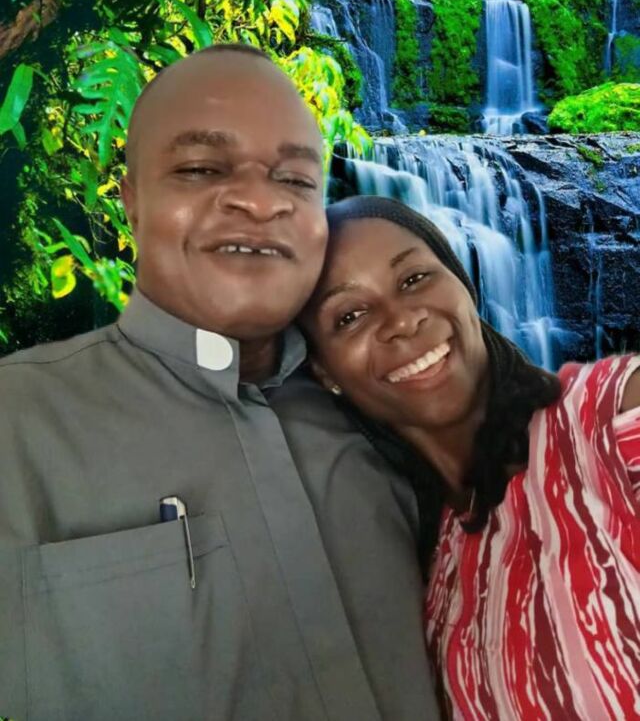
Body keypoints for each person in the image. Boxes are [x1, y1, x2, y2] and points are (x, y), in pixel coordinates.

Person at [0, 47, 439, 721]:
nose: (261, 201)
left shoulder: (390, 409)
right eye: (202, 168)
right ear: (131, 202)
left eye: (295, 179)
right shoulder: (17, 423)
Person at [301, 194, 640, 721]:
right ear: (325, 373)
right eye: (350, 315)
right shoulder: (428, 578)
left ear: (464, 284)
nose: (401, 321)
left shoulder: (604, 420)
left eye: (413, 279)